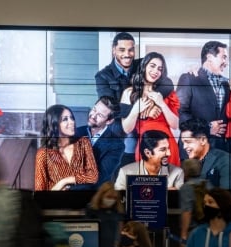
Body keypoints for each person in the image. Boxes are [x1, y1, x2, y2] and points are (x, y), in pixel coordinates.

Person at [95, 32, 175, 171]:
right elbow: (111, 107)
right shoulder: (102, 76)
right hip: (121, 133)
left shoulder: (143, 64)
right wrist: (140, 110)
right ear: (113, 50)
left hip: (148, 132)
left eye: (131, 50)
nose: (127, 54)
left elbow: (167, 83)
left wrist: (151, 102)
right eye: (122, 50)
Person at [120, 52, 181, 167]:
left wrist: (161, 104)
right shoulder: (129, 93)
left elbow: (175, 124)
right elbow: (127, 129)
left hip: (167, 144)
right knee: (146, 183)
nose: (155, 71)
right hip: (145, 144)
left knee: (169, 183)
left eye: (159, 69)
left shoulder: (166, 92)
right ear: (144, 66)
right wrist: (136, 110)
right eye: (152, 66)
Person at [177, 40, 231, 154]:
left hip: (219, 152)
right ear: (210, 57)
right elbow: (180, 114)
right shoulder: (189, 78)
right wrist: (207, 127)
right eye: (223, 57)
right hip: (192, 151)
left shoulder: (227, 84)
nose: (226, 62)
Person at [34, 104, 99, 190]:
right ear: (54, 124)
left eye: (71, 118)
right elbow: (40, 191)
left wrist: (64, 181)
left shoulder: (83, 143)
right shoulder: (43, 154)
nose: (72, 122)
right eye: (65, 119)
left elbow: (93, 176)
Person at [76, 96, 125, 187]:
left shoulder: (117, 145)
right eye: (94, 110)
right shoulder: (76, 132)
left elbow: (98, 178)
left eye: (100, 115)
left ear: (109, 121)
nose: (93, 116)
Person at [180, 118, 231, 189]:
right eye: (183, 143)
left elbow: (228, 196)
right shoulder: (186, 164)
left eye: (188, 142)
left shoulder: (226, 160)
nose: (184, 147)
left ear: (202, 140)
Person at [114, 130, 184, 190]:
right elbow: (118, 201)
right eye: (163, 149)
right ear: (148, 153)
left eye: (168, 148)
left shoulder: (177, 173)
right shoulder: (125, 173)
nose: (169, 153)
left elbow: (181, 202)